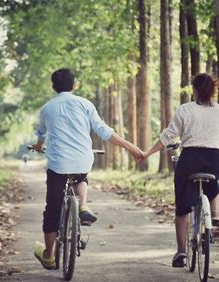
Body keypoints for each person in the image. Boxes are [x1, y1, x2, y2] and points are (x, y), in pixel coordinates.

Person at [31, 68, 143, 270]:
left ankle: (49, 256)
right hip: (82, 160)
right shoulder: (85, 104)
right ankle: (82, 205)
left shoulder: (47, 108)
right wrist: (130, 146)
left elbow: (41, 134)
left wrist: (39, 146)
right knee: (81, 177)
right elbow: (104, 131)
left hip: (58, 164)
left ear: (53, 87)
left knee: (52, 212)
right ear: (75, 86)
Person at [141, 73, 219, 268]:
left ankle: (181, 251)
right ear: (213, 90)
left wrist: (148, 153)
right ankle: (215, 213)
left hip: (190, 159)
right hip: (212, 160)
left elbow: (168, 135)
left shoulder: (185, 110)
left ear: (195, 90)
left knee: (182, 208)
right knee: (216, 181)